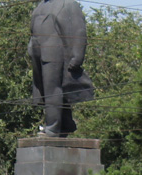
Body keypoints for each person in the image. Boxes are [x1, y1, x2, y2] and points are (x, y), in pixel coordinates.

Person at [27, 0, 94, 138]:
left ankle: (53, 128)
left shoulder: (68, 3)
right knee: (47, 91)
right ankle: (65, 123)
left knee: (53, 90)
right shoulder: (41, 5)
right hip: (39, 53)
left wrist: (77, 56)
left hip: (56, 53)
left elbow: (79, 30)